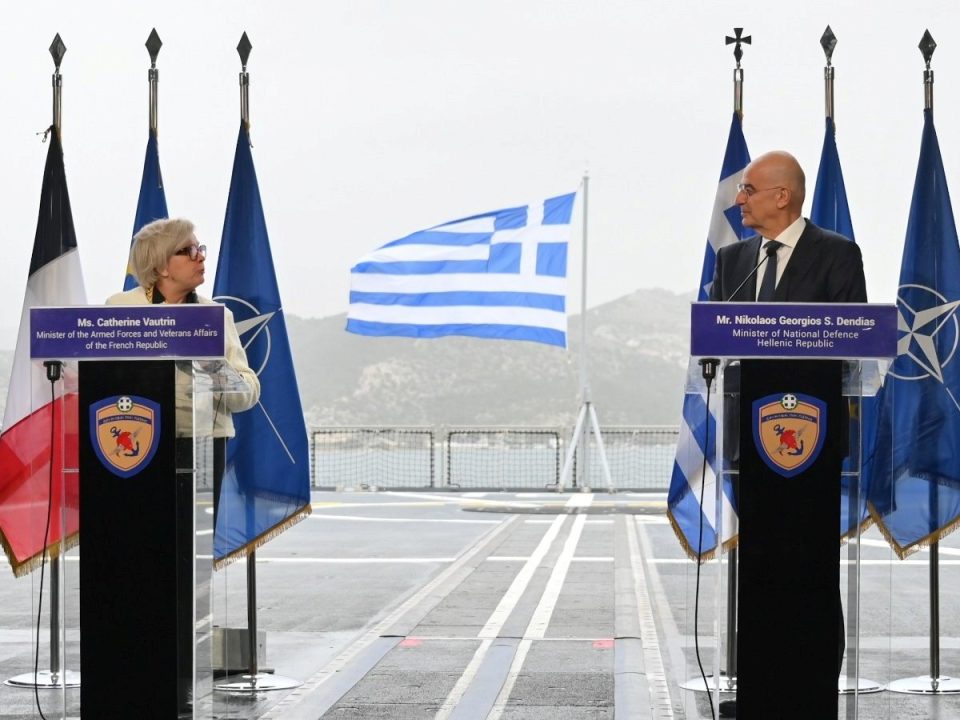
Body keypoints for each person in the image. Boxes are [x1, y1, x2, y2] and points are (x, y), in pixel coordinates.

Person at [709, 151, 866, 719]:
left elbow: (853, 343)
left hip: (812, 444)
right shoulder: (733, 260)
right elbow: (717, 340)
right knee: (761, 570)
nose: (739, 200)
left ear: (783, 196)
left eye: (748, 190)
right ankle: (761, 694)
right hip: (753, 443)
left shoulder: (838, 254)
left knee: (809, 571)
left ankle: (809, 696)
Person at [106, 217, 260, 714]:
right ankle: (134, 674)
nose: (200, 257)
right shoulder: (119, 310)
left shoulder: (214, 317)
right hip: (131, 451)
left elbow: (248, 392)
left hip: (198, 446)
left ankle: (180, 682)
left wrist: (214, 367)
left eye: (200, 248)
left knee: (183, 571)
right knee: (136, 564)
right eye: (189, 250)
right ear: (160, 265)